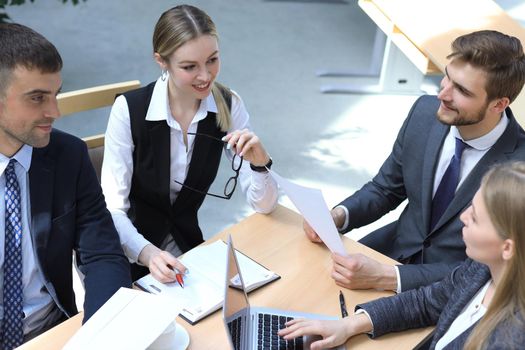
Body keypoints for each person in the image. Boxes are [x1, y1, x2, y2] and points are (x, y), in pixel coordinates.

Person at [303, 30, 525, 292]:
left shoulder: (518, 171)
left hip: (448, 291)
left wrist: (389, 277)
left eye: (462, 90)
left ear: (499, 104)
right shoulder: (424, 112)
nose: (443, 94)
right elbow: (386, 188)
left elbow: (492, 268)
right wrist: (338, 216)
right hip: (388, 252)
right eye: (447, 77)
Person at [101, 4, 278, 283]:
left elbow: (264, 206)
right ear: (162, 61)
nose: (206, 76)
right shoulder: (129, 110)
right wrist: (147, 253)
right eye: (189, 67)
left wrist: (260, 164)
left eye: (212, 60)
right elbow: (112, 208)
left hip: (188, 249)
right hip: (127, 251)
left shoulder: (228, 105)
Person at [282, 161, 525, 349]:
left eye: (475, 218)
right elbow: (427, 301)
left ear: (507, 248)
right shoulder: (482, 269)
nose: (463, 217)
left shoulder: (511, 339)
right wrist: (347, 325)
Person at [0, 23, 131, 347]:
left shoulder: (68, 155)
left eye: (55, 95)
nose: (55, 112)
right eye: (37, 98)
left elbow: (102, 255)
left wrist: (96, 335)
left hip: (54, 331)